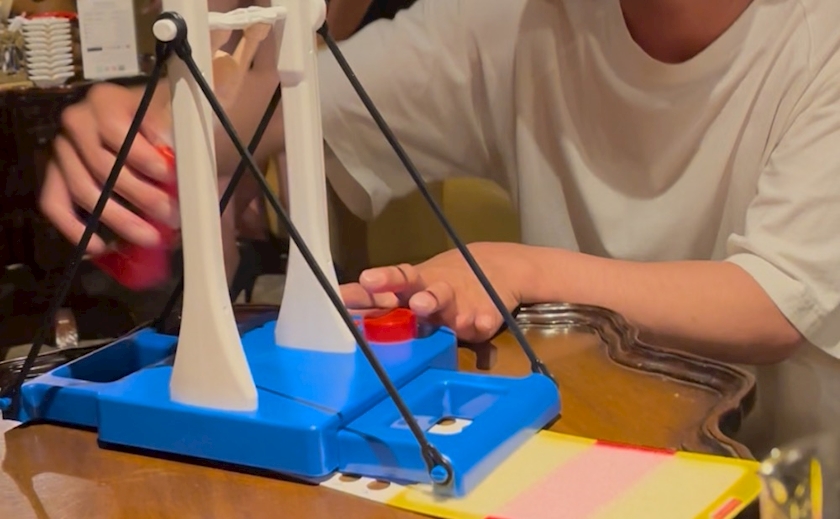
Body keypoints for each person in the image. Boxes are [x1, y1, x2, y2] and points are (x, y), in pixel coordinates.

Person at [41, 0, 840, 452]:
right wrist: (137, 122)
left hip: (789, 476)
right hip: (597, 464)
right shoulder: (525, 19)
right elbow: (281, 110)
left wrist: (517, 269)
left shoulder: (817, 36)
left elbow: (772, 298)